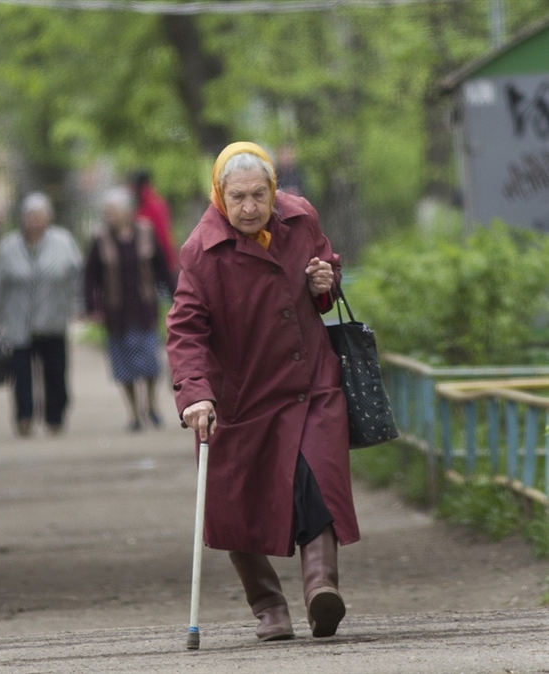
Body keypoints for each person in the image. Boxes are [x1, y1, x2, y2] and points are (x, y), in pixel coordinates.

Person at [166, 142, 359, 642]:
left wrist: (325, 280)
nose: (250, 207)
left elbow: (325, 277)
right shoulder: (202, 251)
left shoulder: (300, 218)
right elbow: (185, 330)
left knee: (317, 477)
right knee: (236, 502)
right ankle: (269, 608)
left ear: (274, 190)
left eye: (259, 195)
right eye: (238, 197)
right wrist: (195, 394)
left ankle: (321, 587)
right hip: (240, 395)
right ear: (219, 195)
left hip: (309, 382)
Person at [0, 192, 83, 437]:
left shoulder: (63, 242)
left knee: (55, 372)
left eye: (40, 216)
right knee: (21, 375)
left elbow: (76, 278)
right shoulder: (9, 246)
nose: (35, 222)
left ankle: (55, 416)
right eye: (31, 216)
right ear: (22, 219)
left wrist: (77, 306)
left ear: (49, 218)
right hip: (18, 321)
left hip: (52, 318)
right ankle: (24, 417)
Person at [84, 186, 177, 432]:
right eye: (107, 212)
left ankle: (152, 405)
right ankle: (134, 412)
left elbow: (162, 268)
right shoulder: (100, 238)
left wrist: (175, 295)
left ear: (127, 212)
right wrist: (92, 307)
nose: (109, 216)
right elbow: (90, 276)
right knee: (123, 366)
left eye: (113, 211)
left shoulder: (145, 232)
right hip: (116, 313)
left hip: (144, 309)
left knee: (150, 362)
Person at [131, 169, 178, 274]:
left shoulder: (148, 205)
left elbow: (162, 235)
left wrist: (169, 263)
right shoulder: (157, 202)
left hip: (154, 260)